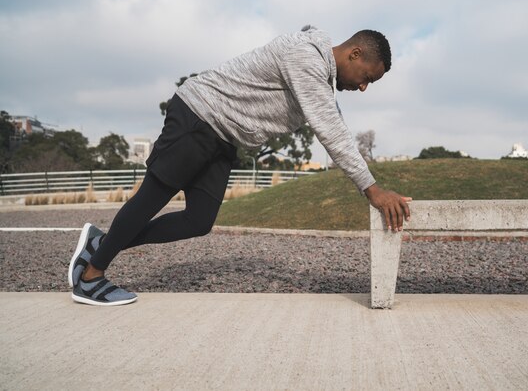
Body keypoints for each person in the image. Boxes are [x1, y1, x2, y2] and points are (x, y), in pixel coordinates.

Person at [68, 25, 411, 306]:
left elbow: (334, 123)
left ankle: (103, 243)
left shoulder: (318, 78)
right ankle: (90, 277)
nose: (363, 87)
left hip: (221, 137)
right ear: (354, 54)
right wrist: (372, 189)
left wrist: (371, 182)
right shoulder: (306, 57)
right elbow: (330, 130)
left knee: (198, 220)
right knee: (149, 202)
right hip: (199, 116)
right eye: (367, 77)